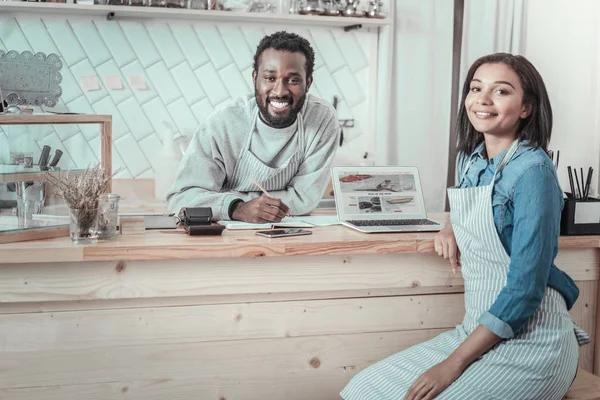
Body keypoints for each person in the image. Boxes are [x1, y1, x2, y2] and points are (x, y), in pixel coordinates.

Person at [340, 53, 590, 400]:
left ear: (526, 108)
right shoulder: (471, 160)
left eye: (501, 91)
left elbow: (525, 290)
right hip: (476, 333)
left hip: (534, 345)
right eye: (476, 88)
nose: (482, 100)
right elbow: (480, 214)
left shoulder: (534, 173)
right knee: (361, 390)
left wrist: (451, 365)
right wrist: (451, 225)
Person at [167, 31, 340, 223]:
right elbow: (181, 198)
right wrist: (237, 208)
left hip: (287, 232)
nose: (280, 91)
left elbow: (304, 200)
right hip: (225, 235)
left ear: (308, 83)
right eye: (270, 78)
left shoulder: (322, 120)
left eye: (293, 80)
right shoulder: (223, 123)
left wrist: (225, 198)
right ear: (255, 78)